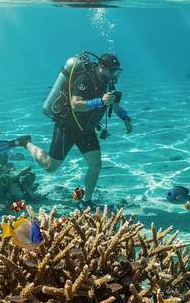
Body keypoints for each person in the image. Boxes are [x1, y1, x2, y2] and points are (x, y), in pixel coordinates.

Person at [17, 52, 131, 205]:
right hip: (68, 127)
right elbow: (75, 104)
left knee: (96, 165)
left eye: (117, 72)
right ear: (102, 67)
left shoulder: (108, 84)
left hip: (86, 130)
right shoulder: (84, 78)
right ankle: (26, 143)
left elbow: (115, 106)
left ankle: (86, 201)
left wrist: (125, 117)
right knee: (50, 167)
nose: (114, 75)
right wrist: (100, 101)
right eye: (112, 71)